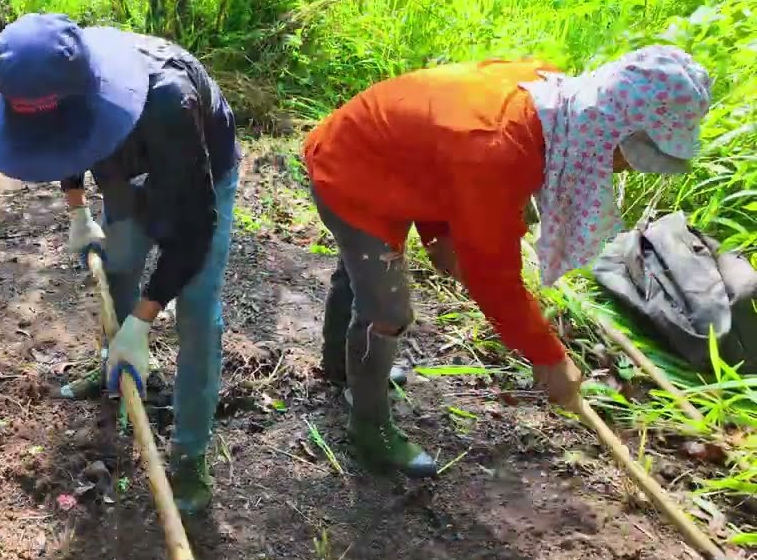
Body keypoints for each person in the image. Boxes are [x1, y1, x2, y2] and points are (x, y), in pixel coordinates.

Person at [302, 45, 712, 478]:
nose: (625, 170)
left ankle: (342, 369)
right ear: (607, 131)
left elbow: (437, 146)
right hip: (352, 172)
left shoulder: (548, 97)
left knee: (363, 275)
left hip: (391, 160)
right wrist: (547, 356)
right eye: (627, 158)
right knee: (386, 308)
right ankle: (368, 428)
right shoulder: (499, 148)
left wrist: (440, 231)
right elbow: (491, 276)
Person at [0, 13, 241, 514]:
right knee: (118, 264)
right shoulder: (62, 92)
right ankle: (115, 367)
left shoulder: (168, 99)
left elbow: (195, 230)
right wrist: (77, 208)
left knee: (198, 312)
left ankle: (188, 455)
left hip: (195, 167)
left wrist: (143, 321)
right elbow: (58, 142)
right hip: (123, 162)